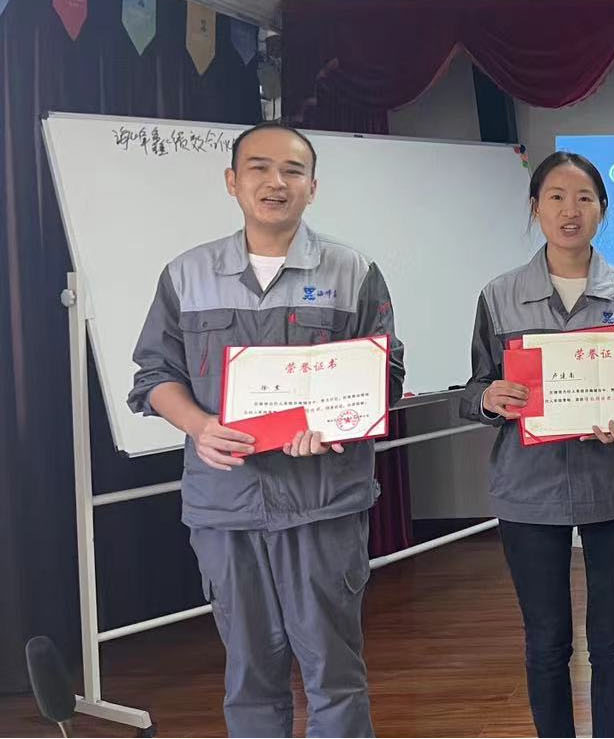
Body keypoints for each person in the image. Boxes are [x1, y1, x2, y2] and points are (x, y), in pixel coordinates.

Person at [128, 122, 405, 737]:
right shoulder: (186, 274)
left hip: (321, 501)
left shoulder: (352, 271)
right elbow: (155, 375)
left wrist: (335, 423)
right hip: (225, 504)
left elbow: (383, 373)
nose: (275, 182)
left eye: (292, 170)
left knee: (334, 672)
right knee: (249, 674)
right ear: (232, 181)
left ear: (313, 187)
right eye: (258, 167)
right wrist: (199, 425)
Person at [462, 151, 614, 738]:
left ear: (602, 211)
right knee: (546, 641)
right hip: (529, 491)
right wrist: (491, 398)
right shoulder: (499, 295)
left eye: (584, 198)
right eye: (556, 197)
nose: (570, 211)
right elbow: (474, 388)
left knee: (611, 639)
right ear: (535, 207)